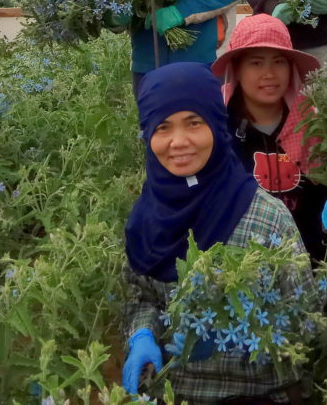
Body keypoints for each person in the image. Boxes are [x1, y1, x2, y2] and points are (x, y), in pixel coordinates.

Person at [123, 62, 313, 403]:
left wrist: (238, 330)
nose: (179, 142)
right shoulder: (145, 218)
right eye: (163, 127)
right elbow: (142, 297)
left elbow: (304, 320)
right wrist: (142, 335)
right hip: (173, 392)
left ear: (216, 124)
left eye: (194, 123)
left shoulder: (266, 219)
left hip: (258, 394)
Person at [211, 13, 327, 262]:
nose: (269, 73)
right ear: (237, 70)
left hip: (311, 265)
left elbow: (325, 194)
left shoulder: (313, 127)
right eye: (256, 63)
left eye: (279, 61)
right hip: (242, 270)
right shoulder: (219, 130)